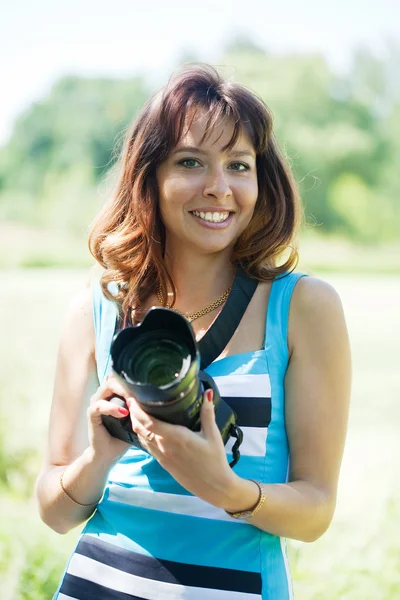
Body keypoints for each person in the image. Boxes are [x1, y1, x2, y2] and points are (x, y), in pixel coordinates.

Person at [35, 63, 351, 600]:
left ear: (260, 180)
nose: (218, 188)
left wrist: (225, 488)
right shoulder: (96, 308)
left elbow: (315, 511)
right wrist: (100, 457)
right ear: (150, 177)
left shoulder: (302, 308)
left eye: (238, 165)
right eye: (190, 162)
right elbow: (54, 511)